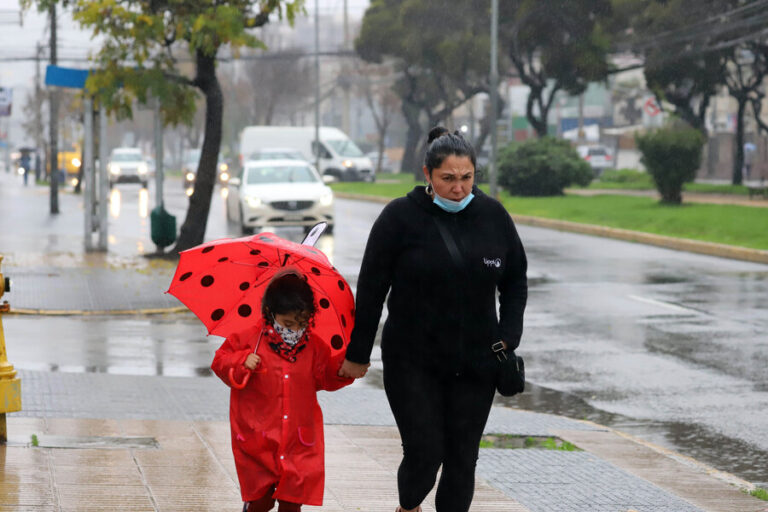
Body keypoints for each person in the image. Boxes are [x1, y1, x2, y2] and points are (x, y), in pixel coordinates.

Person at [338, 127, 528, 512]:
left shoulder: (493, 216)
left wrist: (508, 336)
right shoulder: (399, 218)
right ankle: (408, 507)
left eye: (467, 178)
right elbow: (372, 289)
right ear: (427, 174)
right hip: (413, 361)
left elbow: (515, 279)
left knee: (462, 459)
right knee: (425, 453)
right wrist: (358, 353)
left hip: (477, 362)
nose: (459, 188)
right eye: (448, 179)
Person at [211, 271, 353, 512]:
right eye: (288, 324)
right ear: (270, 313)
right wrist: (241, 360)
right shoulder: (249, 339)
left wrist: (345, 368)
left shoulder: (314, 346)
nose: (295, 329)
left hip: (298, 438)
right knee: (260, 499)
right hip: (259, 437)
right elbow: (220, 361)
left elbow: (325, 377)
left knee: (292, 500)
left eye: (302, 323)